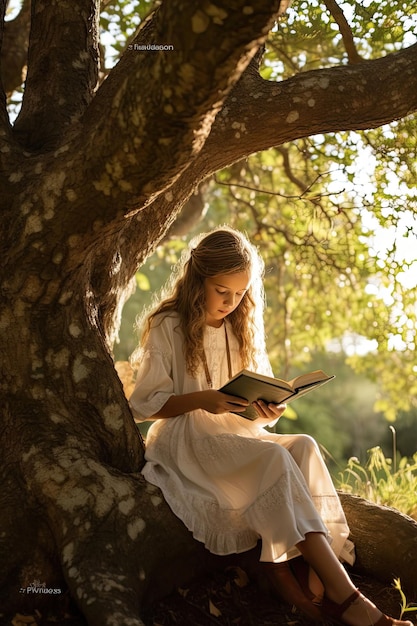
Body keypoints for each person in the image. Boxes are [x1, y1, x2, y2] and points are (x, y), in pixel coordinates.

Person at [129, 227, 412, 626]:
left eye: (240, 293)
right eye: (221, 291)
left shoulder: (240, 325)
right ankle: (345, 595)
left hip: (237, 431)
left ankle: (319, 569)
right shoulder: (169, 325)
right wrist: (202, 399)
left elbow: (255, 397)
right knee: (275, 459)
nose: (231, 302)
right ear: (198, 281)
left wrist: (268, 411)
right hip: (187, 437)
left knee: (304, 445)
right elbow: (144, 404)